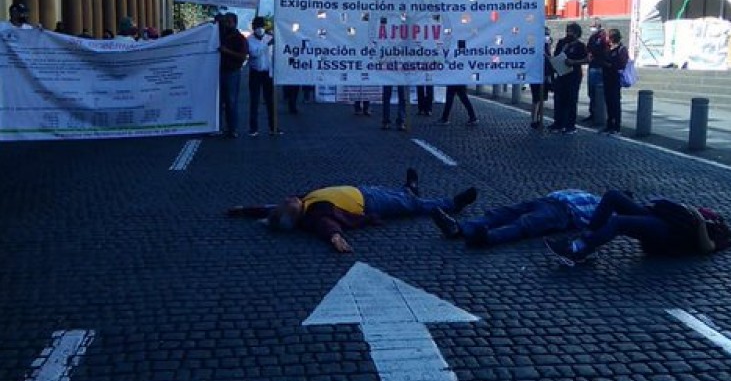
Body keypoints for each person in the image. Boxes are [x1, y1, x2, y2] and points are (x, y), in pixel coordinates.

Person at [227, 168, 478, 253]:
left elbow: (267, 208)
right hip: (369, 204)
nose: (286, 199)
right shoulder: (315, 214)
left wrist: (243, 209)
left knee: (400, 195)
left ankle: (409, 186)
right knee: (412, 206)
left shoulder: (300, 202)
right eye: (287, 204)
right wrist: (336, 239)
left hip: (363, 190)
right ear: (293, 216)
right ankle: (453, 204)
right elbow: (328, 228)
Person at [545, 190, 731, 267]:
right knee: (612, 196)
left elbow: (707, 248)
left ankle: (579, 249)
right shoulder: (716, 218)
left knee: (619, 222)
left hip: (668, 232)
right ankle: (588, 237)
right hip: (658, 216)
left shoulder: (721, 234)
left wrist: (702, 222)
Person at [431, 189, 600, 248]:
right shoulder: (592, 196)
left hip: (563, 212)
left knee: (524, 224)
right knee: (502, 213)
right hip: (548, 200)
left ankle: (487, 237)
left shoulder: (607, 210)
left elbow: (593, 224)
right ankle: (460, 228)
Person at [548, 22, 587, 134]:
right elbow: (556, 56)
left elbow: (587, 60)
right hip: (561, 74)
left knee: (571, 100)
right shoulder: (562, 42)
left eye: (571, 31)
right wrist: (563, 50)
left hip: (573, 76)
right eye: (567, 30)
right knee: (559, 99)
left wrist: (574, 62)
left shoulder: (580, 46)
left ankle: (570, 125)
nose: (568, 33)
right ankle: (558, 123)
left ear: (576, 33)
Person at [246, 16, 282, 136]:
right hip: (255, 73)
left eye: (261, 26)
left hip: (268, 73)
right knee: (254, 101)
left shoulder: (270, 38)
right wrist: (267, 45)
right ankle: (253, 128)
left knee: (271, 101)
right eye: (257, 27)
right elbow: (254, 54)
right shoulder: (249, 40)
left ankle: (274, 127)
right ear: (253, 28)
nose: (259, 29)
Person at [218, 11, 248, 138]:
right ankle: (217, 127)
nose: (227, 24)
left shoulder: (240, 38)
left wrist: (227, 51)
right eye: (225, 22)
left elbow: (242, 56)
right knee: (217, 101)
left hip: (232, 72)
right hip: (219, 72)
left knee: (231, 101)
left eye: (229, 22)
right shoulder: (220, 35)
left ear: (235, 23)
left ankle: (232, 128)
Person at [597, 28, 629, 134]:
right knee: (608, 102)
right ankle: (609, 124)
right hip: (606, 78)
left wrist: (609, 65)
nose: (607, 39)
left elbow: (622, 65)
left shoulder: (621, 49)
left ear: (613, 38)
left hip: (615, 79)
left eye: (609, 37)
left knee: (615, 103)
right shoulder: (608, 48)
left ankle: (616, 127)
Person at [582, 18, 608, 124]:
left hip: (598, 66)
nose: (591, 28)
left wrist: (593, 52)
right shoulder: (593, 37)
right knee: (591, 91)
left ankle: (598, 114)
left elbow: (602, 50)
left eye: (593, 25)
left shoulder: (602, 36)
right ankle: (592, 113)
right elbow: (588, 48)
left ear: (598, 25)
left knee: (597, 92)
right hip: (592, 65)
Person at [530, 27, 554, 129]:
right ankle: (534, 120)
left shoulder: (547, 47)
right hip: (536, 75)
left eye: (548, 34)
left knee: (542, 99)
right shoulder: (537, 47)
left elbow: (550, 62)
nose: (547, 37)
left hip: (545, 75)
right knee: (537, 99)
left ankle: (538, 119)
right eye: (545, 34)